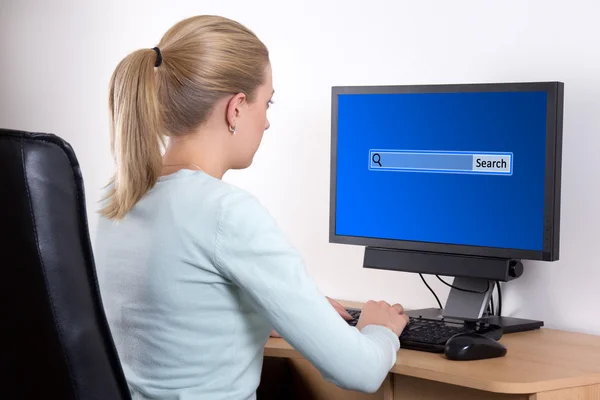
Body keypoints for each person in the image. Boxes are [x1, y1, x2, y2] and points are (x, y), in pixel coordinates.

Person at [95, 14, 409, 400]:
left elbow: (175, 317)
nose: (266, 123)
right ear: (237, 108)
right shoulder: (225, 213)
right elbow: (360, 371)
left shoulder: (117, 197)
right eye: (268, 103)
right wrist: (379, 328)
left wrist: (268, 312)